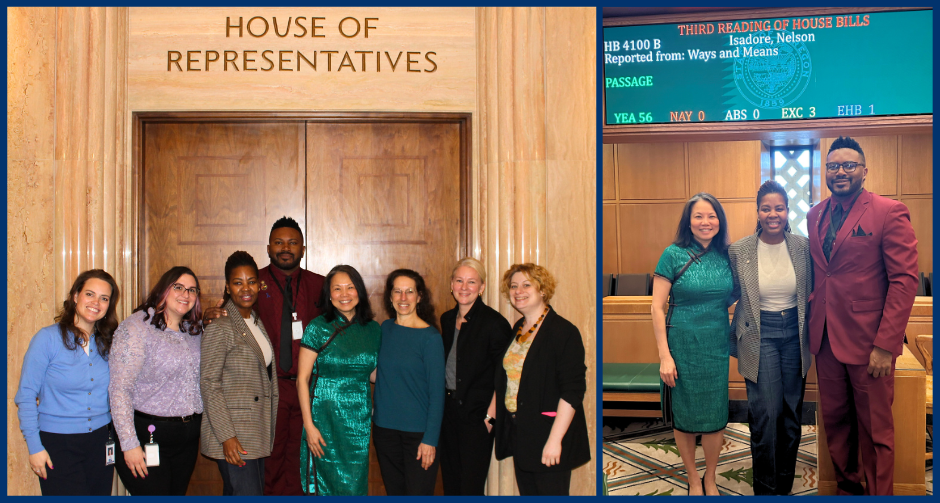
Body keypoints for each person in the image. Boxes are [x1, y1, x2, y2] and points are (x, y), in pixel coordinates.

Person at [807, 136, 918, 495]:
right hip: (825, 341)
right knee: (836, 424)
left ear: (864, 170)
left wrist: (886, 345)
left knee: (875, 431)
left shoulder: (888, 211)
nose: (840, 172)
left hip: (870, 344)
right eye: (833, 166)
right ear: (825, 171)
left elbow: (904, 280)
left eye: (848, 165)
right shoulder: (814, 215)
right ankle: (847, 489)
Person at [204, 216, 325, 495]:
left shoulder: (320, 285)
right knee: (267, 464)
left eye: (293, 243)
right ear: (269, 248)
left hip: (308, 389)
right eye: (279, 243)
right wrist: (206, 318)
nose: (286, 248)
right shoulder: (252, 282)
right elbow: (223, 318)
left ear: (303, 249)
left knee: (299, 461)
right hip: (268, 390)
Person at [728, 181, 813, 495]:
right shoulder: (740, 250)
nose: (772, 214)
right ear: (758, 211)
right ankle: (765, 489)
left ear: (788, 211)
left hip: (795, 335)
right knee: (765, 413)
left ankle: (784, 487)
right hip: (759, 336)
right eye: (766, 208)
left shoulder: (803, 247)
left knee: (791, 413)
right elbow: (727, 293)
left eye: (779, 208)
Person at [651, 192, 733, 496]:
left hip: (715, 344)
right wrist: (665, 356)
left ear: (719, 221)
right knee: (684, 413)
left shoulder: (727, 254)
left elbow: (733, 293)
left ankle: (710, 477)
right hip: (681, 344)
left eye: (711, 216)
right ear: (688, 221)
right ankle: (693, 478)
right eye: (698, 216)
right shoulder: (672, 254)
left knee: (715, 413)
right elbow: (657, 307)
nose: (705, 222)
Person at [14, 270, 120, 495]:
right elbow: (25, 396)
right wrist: (35, 447)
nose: (96, 302)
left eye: (104, 298)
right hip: (58, 444)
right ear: (75, 296)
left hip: (100, 443)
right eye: (89, 294)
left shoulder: (109, 344)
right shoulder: (47, 338)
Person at [494, 263, 590, 496]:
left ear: (543, 290)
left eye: (527, 285)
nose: (518, 291)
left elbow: (572, 391)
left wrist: (554, 440)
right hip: (521, 434)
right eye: (514, 286)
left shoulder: (563, 331)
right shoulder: (518, 328)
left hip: (548, 434)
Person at [109, 266, 204, 495]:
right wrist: (129, 444)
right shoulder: (136, 328)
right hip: (147, 436)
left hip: (187, 441)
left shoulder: (194, 330)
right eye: (178, 287)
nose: (186, 294)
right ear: (164, 289)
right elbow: (119, 389)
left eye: (192, 290)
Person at [297, 265, 381, 495]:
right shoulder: (318, 327)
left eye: (350, 288)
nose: (344, 295)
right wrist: (309, 425)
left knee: (354, 484)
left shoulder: (373, 329)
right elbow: (302, 379)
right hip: (323, 420)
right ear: (329, 294)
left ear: (360, 292)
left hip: (358, 422)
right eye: (337, 289)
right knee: (324, 484)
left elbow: (373, 374)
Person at [200, 251, 278, 495]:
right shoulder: (220, 327)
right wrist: (227, 436)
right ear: (227, 287)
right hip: (234, 436)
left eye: (251, 281)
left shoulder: (255, 321)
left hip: (255, 431)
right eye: (238, 282)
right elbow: (209, 383)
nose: (246, 288)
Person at [439, 257, 513, 495]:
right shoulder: (447, 320)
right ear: (451, 284)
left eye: (472, 282)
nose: (464, 287)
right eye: (459, 280)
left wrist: (490, 419)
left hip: (477, 418)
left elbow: (505, 377)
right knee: (451, 484)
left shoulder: (495, 324)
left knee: (470, 488)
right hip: (447, 415)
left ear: (481, 287)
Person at [373, 269, 445, 495]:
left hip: (418, 435)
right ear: (390, 296)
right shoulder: (385, 329)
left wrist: (430, 439)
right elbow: (378, 373)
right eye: (398, 291)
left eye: (410, 292)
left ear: (419, 296)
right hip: (385, 431)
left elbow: (437, 394)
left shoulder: (430, 338)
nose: (403, 298)